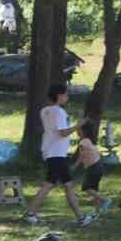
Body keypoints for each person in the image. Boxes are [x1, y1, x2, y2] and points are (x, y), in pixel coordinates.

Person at [24, 84, 92, 226]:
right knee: (51, 185)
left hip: (50, 152)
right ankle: (30, 213)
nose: (67, 97)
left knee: (65, 185)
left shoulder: (45, 111)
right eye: (66, 95)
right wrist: (78, 125)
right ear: (59, 96)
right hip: (56, 154)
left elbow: (56, 130)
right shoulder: (59, 112)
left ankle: (81, 217)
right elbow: (62, 132)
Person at [75, 120, 113, 217]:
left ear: (83, 131)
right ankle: (97, 212)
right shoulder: (89, 141)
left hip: (94, 167)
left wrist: (74, 166)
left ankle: (105, 200)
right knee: (94, 189)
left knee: (86, 188)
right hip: (98, 166)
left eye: (78, 129)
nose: (76, 131)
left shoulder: (83, 142)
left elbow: (81, 156)